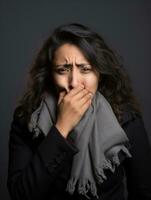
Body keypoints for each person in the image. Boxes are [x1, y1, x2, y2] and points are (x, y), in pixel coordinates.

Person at [7, 23, 151, 200]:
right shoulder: (27, 118)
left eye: (86, 69)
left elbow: (144, 192)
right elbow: (21, 194)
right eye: (62, 70)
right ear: (50, 75)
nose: (74, 82)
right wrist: (61, 127)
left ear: (99, 74)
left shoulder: (126, 118)